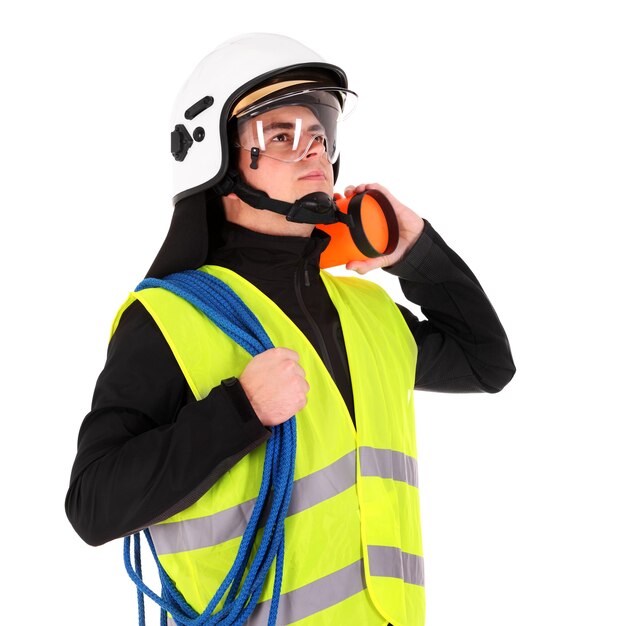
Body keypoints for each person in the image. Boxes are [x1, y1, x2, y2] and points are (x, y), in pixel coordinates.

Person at [65, 33, 515, 626]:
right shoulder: (171, 319)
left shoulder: (368, 311)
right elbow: (94, 505)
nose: (314, 152)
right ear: (216, 159)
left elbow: (488, 364)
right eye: (281, 135)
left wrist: (417, 252)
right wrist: (241, 410)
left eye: (322, 135)